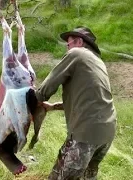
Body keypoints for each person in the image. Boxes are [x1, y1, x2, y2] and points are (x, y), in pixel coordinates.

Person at [35, 26, 117, 180]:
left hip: (85, 134)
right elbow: (91, 99)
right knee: (87, 176)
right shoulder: (98, 62)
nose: (67, 48)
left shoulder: (77, 53)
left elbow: (47, 87)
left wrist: (33, 100)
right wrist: (53, 107)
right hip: (107, 132)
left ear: (79, 42)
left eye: (69, 43)